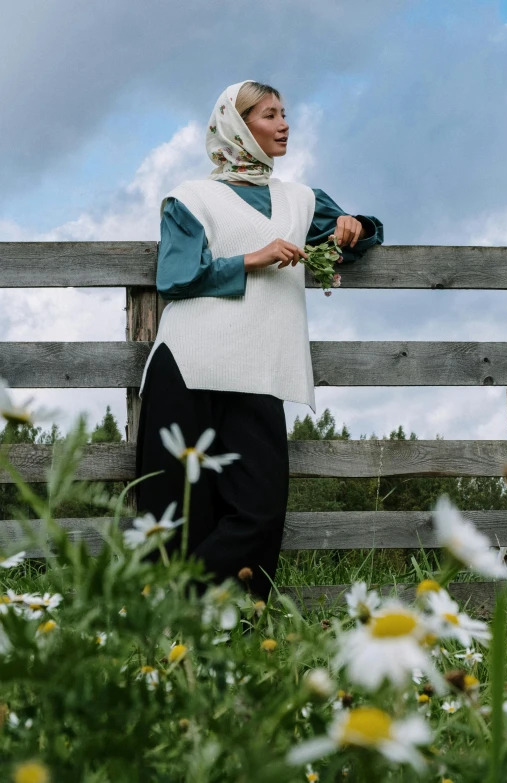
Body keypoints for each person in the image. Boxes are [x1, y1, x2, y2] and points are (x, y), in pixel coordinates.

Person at [135, 79, 383, 601]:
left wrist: (351, 224)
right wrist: (257, 257)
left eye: (284, 113)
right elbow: (176, 277)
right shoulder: (190, 198)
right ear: (237, 126)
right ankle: (178, 643)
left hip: (261, 370)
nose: (284, 123)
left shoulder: (301, 199)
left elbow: (357, 236)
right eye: (270, 115)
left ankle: (188, 609)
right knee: (180, 512)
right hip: (188, 365)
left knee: (260, 510)